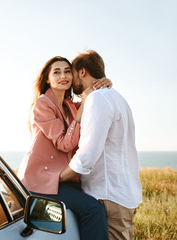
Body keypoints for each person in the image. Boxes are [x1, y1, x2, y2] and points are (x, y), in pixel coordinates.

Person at [17, 56, 110, 240]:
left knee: (100, 204)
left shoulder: (69, 105)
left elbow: (90, 102)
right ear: (47, 79)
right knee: (93, 210)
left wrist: (105, 83)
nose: (63, 76)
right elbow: (64, 143)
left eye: (67, 71)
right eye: (57, 72)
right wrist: (82, 107)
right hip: (41, 181)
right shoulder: (42, 104)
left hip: (63, 178)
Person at [59, 50, 142, 240]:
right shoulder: (117, 97)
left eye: (72, 72)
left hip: (109, 196)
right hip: (123, 194)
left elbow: (87, 155)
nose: (70, 79)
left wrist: (56, 179)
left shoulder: (98, 99)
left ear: (82, 72)